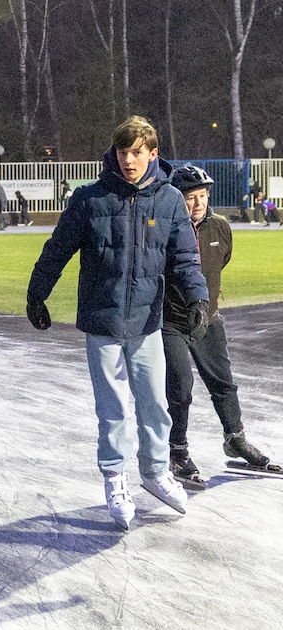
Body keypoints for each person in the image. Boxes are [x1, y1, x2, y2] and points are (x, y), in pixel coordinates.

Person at [26, 116, 209, 530]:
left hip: (147, 321)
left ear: (152, 154)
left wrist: (198, 298)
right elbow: (57, 249)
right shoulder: (90, 198)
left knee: (155, 405)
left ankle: (156, 472)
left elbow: (184, 258)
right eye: (123, 152)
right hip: (102, 320)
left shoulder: (170, 201)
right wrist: (37, 292)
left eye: (136, 153)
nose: (128, 160)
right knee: (113, 410)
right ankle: (114, 477)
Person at [162, 165, 269, 486]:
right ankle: (177, 451)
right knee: (180, 389)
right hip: (171, 322)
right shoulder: (164, 228)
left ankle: (235, 439)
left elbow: (221, 263)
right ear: (176, 199)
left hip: (208, 319)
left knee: (224, 384)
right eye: (190, 198)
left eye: (203, 196)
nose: (197, 203)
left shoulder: (220, 227)